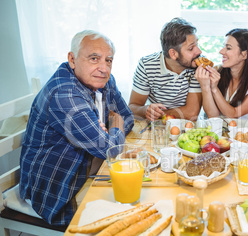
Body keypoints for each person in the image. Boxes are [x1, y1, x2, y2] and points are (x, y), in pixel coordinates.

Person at [19, 30, 134, 225]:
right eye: (94, 58)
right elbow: (109, 149)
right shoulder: (65, 94)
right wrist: (114, 127)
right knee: (126, 213)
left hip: (88, 165)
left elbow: (127, 117)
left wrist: (108, 132)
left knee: (137, 185)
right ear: (72, 60)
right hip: (58, 187)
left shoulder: (103, 80)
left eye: (108, 60)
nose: (104, 68)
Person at [129, 17, 202, 121]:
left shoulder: (197, 66)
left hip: (186, 129)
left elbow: (191, 113)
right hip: (157, 129)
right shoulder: (147, 65)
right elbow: (133, 107)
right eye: (191, 48)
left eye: (197, 44)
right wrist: (146, 110)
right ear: (173, 53)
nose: (199, 51)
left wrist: (158, 114)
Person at [194, 28, 248, 121]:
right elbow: (212, 116)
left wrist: (214, 88)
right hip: (226, 130)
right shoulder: (217, 71)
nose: (221, 51)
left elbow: (234, 114)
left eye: (228, 48)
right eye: (223, 47)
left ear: (244, 55)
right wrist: (205, 86)